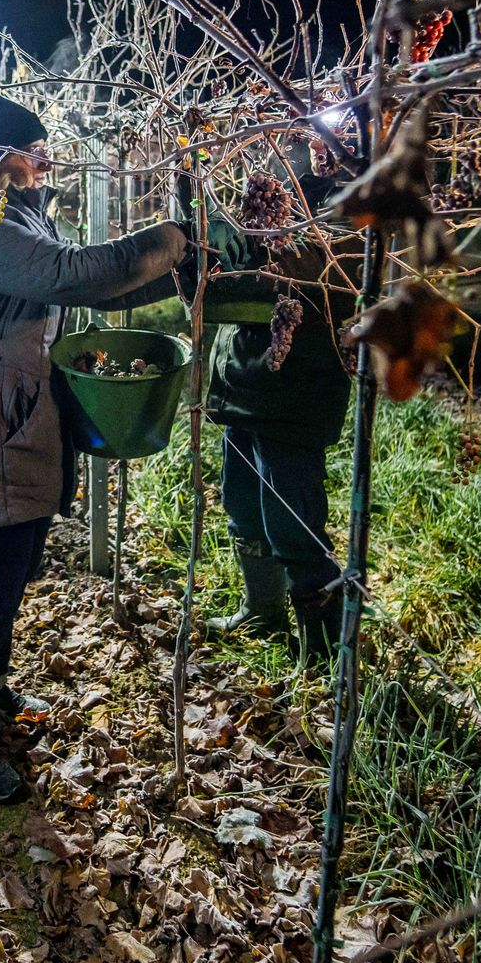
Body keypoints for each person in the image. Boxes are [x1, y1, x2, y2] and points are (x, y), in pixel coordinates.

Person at [0, 88, 188, 803]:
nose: (45, 161)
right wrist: (169, 239)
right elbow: (68, 274)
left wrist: (171, 269)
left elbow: (86, 287)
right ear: (4, 156)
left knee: (15, 569)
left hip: (20, 415)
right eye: (34, 151)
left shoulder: (16, 217)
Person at [202, 172, 355, 662]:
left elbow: (328, 272)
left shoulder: (348, 193)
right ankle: (262, 610)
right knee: (241, 503)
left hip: (295, 388)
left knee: (292, 524)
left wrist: (261, 249)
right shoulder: (254, 176)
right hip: (243, 374)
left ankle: (324, 656)